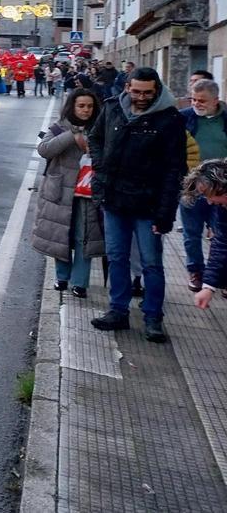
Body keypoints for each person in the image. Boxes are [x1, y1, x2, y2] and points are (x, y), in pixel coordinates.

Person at [89, 67, 187, 342]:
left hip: (149, 203)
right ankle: (117, 311)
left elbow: (174, 170)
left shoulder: (170, 120)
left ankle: (153, 317)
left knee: (151, 264)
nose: (141, 97)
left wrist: (166, 213)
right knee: (117, 257)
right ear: (127, 88)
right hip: (114, 198)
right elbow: (95, 138)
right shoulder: (112, 109)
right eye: (136, 91)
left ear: (156, 90)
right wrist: (100, 165)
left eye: (147, 92)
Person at [32, 89, 104, 298]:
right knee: (60, 234)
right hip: (61, 191)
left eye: (89, 106)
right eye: (81, 106)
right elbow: (44, 149)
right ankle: (61, 277)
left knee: (84, 237)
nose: (86, 110)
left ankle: (80, 282)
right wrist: (72, 137)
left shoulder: (101, 128)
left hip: (90, 193)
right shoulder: (58, 127)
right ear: (72, 106)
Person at [179, 79, 227, 292]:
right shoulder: (184, 118)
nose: (196, 104)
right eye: (194, 99)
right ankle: (196, 271)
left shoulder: (225, 120)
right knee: (191, 232)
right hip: (192, 185)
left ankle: (221, 276)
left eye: (202, 100)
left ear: (216, 100)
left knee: (221, 233)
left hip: (221, 189)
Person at [182, 159, 227, 308]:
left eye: (208, 194)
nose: (209, 202)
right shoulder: (223, 209)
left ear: (221, 186)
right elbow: (221, 244)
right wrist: (208, 286)